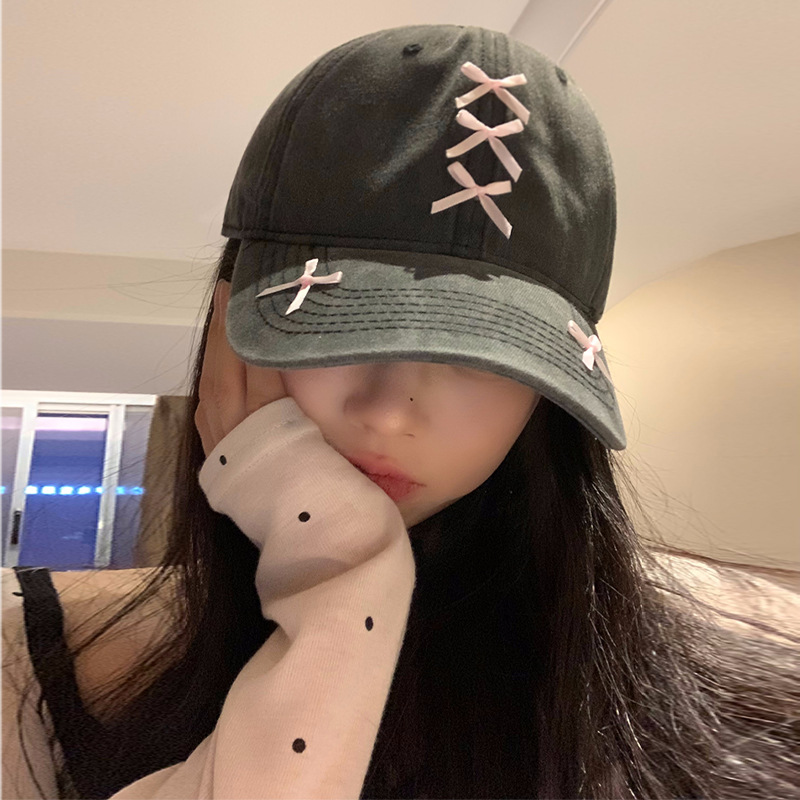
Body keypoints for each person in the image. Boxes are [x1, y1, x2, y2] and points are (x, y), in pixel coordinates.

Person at [3, 23, 800, 800]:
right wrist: (338, 582)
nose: (388, 413)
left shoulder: (748, 674)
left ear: (546, 399)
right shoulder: (22, 669)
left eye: (482, 355)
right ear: (227, 333)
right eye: (334, 326)